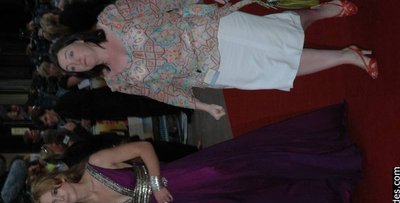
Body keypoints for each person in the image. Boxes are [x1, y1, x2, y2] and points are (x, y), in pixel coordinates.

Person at [32, 104, 374, 203]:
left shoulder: (95, 164)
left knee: (259, 167)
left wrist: (156, 184)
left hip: (187, 178)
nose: (61, 200)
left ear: (59, 181)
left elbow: (144, 148)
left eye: (55, 194)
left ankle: (329, 163)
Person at [50, 0, 378, 120]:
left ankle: (320, 12)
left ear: (76, 40)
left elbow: (157, 3)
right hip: (208, 71)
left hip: (208, 30)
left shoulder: (112, 16)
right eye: (72, 67)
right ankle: (345, 57)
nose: (77, 62)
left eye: (71, 54)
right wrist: (203, 106)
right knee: (276, 70)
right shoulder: (116, 80)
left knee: (279, 37)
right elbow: (162, 92)